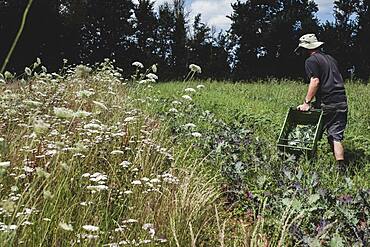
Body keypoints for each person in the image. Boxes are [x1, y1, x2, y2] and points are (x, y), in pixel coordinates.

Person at [295, 33, 348, 171]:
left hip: (327, 102)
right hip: (341, 100)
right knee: (335, 136)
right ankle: (341, 168)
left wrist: (307, 103)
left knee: (312, 131)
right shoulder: (330, 59)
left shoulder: (311, 61)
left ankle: (307, 162)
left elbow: (315, 81)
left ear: (306, 48)